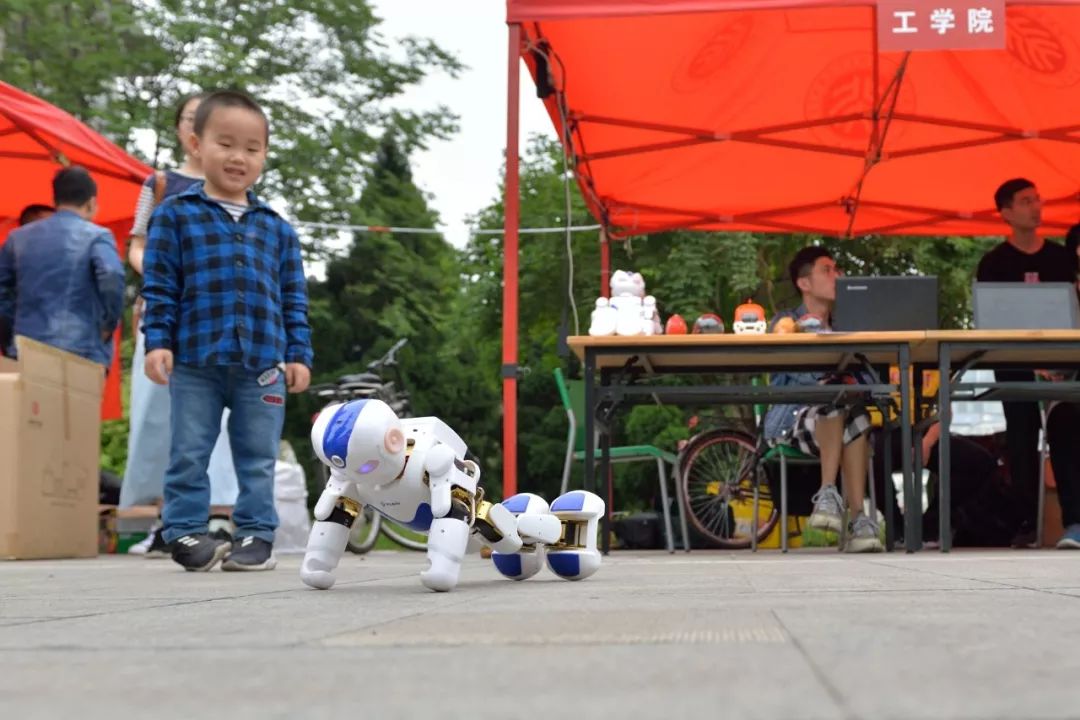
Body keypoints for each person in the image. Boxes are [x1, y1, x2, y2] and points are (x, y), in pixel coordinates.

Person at [142, 90, 313, 572]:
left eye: (252, 147)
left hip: (262, 363)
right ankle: (185, 533)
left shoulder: (277, 228)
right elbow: (160, 284)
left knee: (258, 456)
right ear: (197, 144)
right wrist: (158, 341)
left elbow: (293, 296)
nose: (238, 157)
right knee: (188, 450)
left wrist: (298, 352)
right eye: (225, 143)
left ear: (263, 155)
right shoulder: (174, 215)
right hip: (194, 359)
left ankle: (257, 535)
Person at [120, 92, 240, 558]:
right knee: (157, 417)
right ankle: (163, 523)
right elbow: (136, 245)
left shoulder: (232, 186)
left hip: (219, 319)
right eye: (191, 119)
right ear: (185, 132)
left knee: (223, 418)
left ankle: (221, 519)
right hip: (167, 315)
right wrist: (163, 276)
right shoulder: (160, 184)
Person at [976, 178, 1080, 548]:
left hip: (1063, 365)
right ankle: (1024, 524)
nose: (1036, 207)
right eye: (1025, 201)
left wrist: (1058, 365)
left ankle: (1073, 523)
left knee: (1065, 430)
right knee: (1020, 440)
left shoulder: (1061, 259)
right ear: (1005, 213)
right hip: (1014, 365)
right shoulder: (992, 263)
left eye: (1038, 199)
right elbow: (989, 326)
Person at [762, 246, 883, 552]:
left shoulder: (849, 326)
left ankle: (831, 501)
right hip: (792, 418)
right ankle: (857, 519)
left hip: (838, 415)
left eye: (838, 269)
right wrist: (835, 379)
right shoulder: (784, 323)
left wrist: (841, 382)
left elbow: (871, 379)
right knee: (838, 399)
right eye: (827, 270)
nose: (837, 276)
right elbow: (786, 377)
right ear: (804, 283)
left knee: (852, 410)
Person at [0, 167, 124, 366]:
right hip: (81, 350)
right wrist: (108, 323)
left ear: (55, 201)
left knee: (31, 398)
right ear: (91, 203)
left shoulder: (17, 238)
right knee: (77, 398)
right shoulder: (97, 236)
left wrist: (8, 340)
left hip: (25, 348)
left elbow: (3, 295)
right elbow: (111, 273)